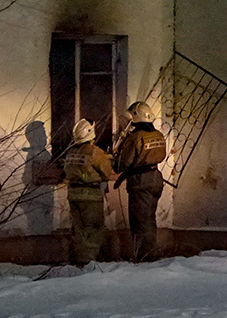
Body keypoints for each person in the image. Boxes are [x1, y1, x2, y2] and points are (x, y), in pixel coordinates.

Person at [113, 101, 169, 260]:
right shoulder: (158, 134)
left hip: (140, 181)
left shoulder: (135, 137)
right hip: (156, 179)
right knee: (150, 219)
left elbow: (121, 164)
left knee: (139, 223)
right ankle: (150, 254)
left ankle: (144, 257)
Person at [59, 119, 114, 265]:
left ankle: (79, 261)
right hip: (91, 196)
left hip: (73, 195)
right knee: (93, 230)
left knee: (79, 230)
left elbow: (66, 172)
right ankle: (89, 263)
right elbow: (106, 172)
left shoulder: (70, 152)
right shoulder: (95, 152)